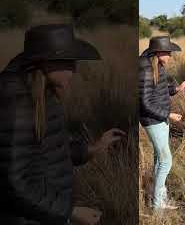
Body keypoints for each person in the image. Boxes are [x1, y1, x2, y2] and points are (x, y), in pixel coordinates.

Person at [0, 24, 126, 225]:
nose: (74, 69)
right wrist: (69, 213)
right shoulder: (16, 102)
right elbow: (12, 184)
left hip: (46, 213)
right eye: (68, 62)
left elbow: (48, 151)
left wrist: (93, 148)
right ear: (47, 63)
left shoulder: (42, 93)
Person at [139, 36, 185, 211]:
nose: (170, 55)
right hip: (153, 120)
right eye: (168, 52)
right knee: (166, 161)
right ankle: (158, 205)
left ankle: (159, 198)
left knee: (159, 160)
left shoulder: (157, 65)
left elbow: (160, 90)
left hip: (159, 118)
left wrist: (176, 89)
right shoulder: (145, 69)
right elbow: (145, 103)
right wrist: (168, 115)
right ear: (158, 52)